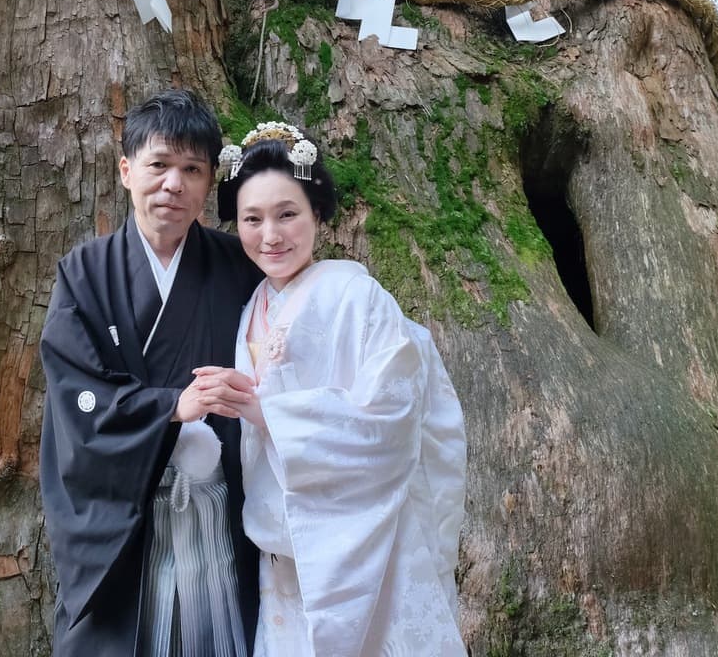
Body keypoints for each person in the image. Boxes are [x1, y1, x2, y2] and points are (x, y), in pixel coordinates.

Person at [212, 122, 468, 657]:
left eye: (288, 214)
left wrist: (268, 412)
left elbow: (390, 418)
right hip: (286, 550)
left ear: (318, 213)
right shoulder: (252, 306)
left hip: (365, 544)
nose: (270, 235)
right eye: (252, 219)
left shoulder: (356, 296)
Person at [39, 89, 266, 656]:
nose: (174, 184)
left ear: (209, 182)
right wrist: (171, 407)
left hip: (218, 512)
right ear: (126, 171)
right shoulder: (84, 274)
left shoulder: (240, 266)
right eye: (159, 164)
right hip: (123, 520)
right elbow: (76, 397)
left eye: (192, 170)